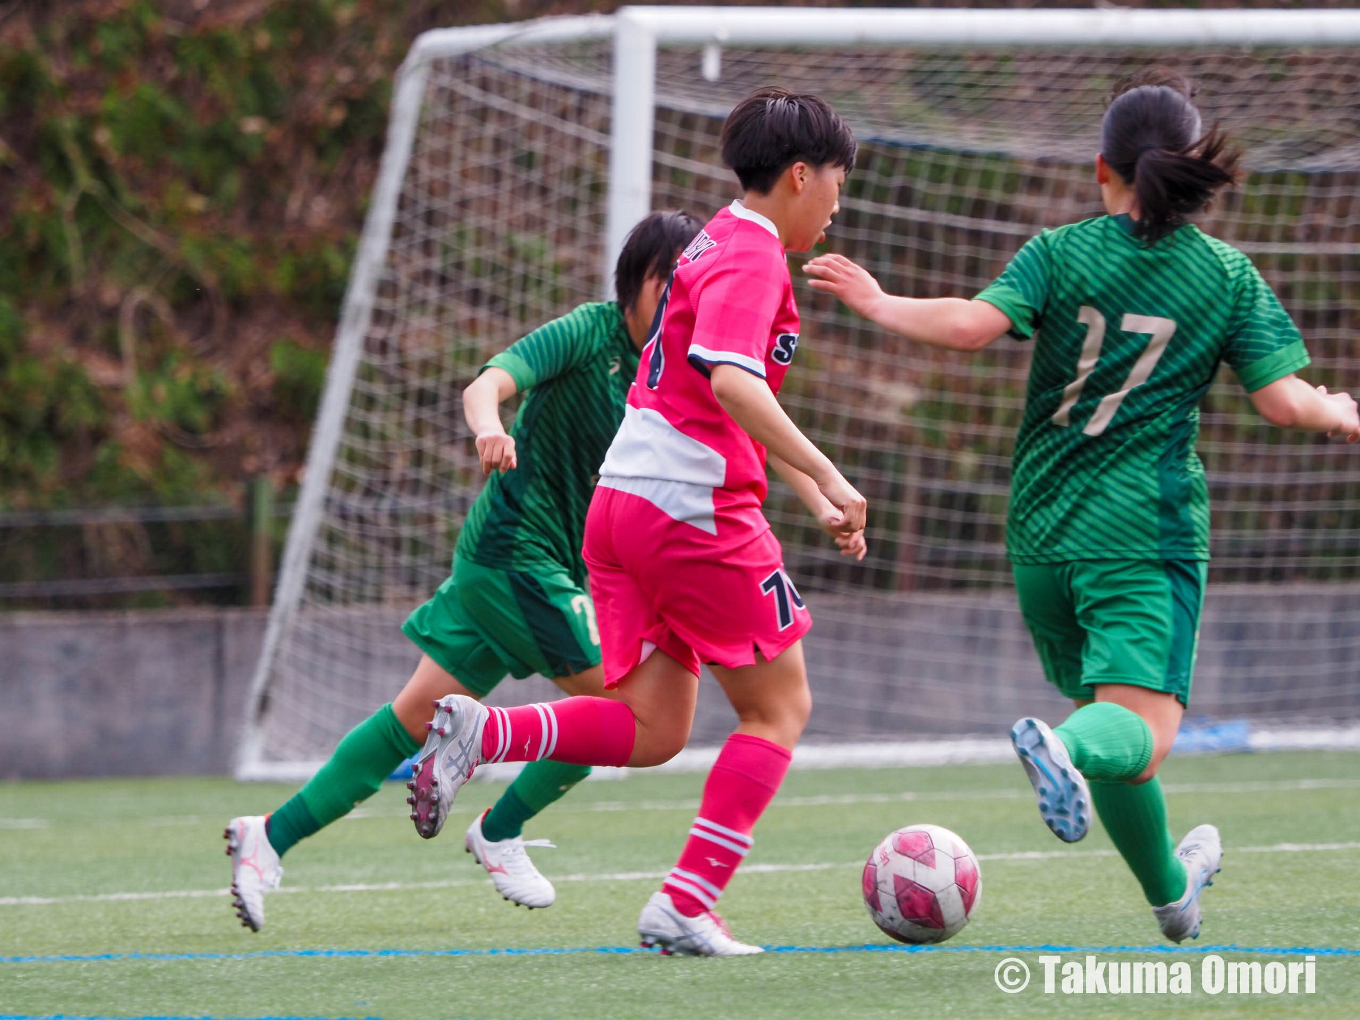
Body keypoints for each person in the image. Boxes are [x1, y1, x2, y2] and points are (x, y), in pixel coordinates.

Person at [803, 69, 1360, 944]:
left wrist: (875, 299)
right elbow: (1287, 403)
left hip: (1041, 539)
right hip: (1142, 534)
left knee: (1117, 731)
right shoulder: (1224, 275)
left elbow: (968, 328)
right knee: (1138, 731)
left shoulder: (1061, 253)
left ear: (1103, 169)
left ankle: (1174, 898)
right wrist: (1344, 411)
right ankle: (1061, 747)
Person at [407, 86, 867, 956]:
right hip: (693, 517)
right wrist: (830, 470)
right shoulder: (754, 255)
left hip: (624, 509)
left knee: (656, 729)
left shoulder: (708, 245)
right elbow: (734, 386)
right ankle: (689, 901)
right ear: (801, 176)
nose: (840, 205)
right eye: (838, 184)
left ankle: (486, 729)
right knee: (779, 709)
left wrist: (814, 493)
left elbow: (715, 402)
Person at [224, 209, 704, 931]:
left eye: (694, 285)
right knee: (617, 716)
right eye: (673, 281)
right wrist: (490, 427)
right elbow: (490, 381)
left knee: (410, 721)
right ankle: (500, 829)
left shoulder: (675, 370)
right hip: (517, 556)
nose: (683, 300)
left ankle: (270, 836)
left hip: (521, 570)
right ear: (640, 281)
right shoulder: (589, 331)